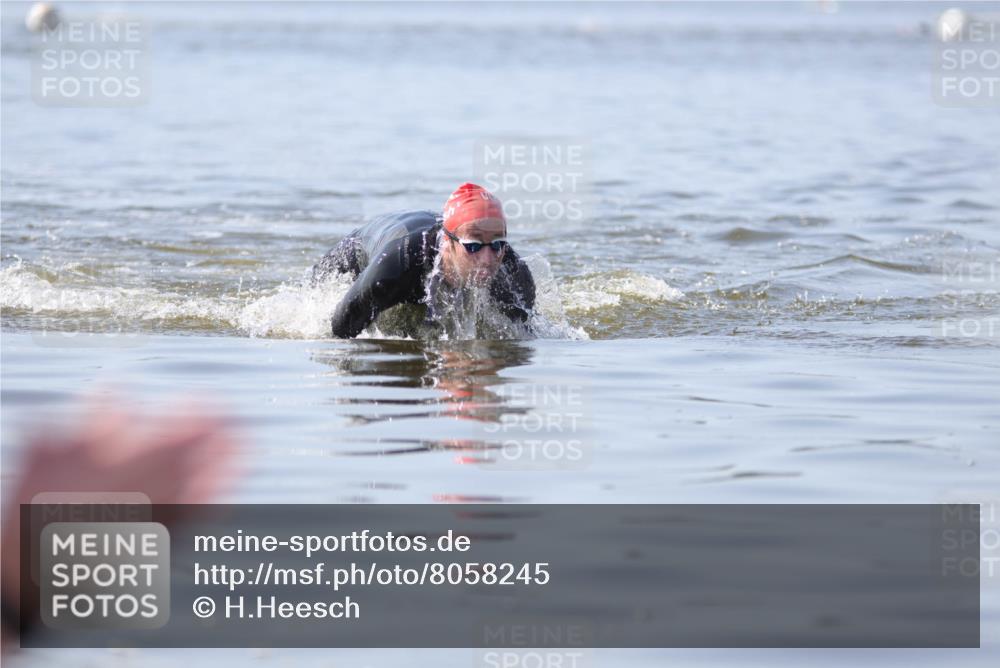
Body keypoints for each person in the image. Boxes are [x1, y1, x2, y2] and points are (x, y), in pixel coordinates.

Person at [312, 183, 536, 339]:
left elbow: (525, 337)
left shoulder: (514, 276)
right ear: (447, 243)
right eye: (473, 246)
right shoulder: (397, 266)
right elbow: (339, 334)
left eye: (497, 244)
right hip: (360, 246)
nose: (488, 259)